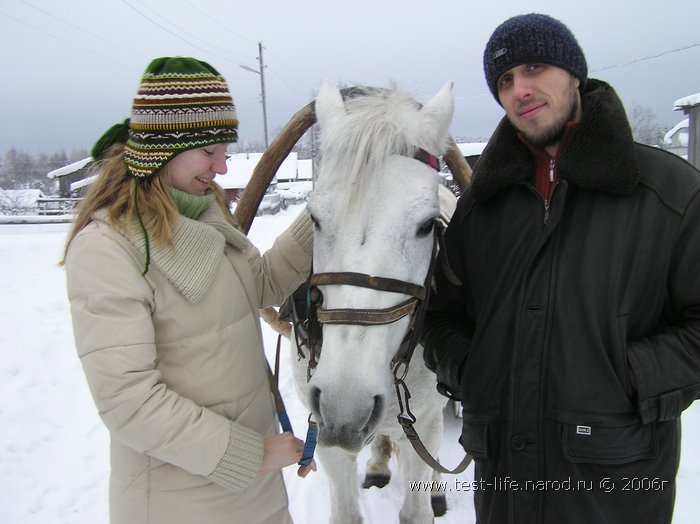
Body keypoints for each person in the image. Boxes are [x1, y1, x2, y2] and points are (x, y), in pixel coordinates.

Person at [421, 13, 700, 524]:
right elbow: (440, 318)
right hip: (505, 486)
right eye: (505, 81)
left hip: (617, 488)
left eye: (534, 67)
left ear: (575, 73)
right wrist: (473, 369)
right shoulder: (481, 209)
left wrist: (627, 374)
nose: (520, 89)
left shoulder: (670, 195)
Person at [62, 56, 315, 524]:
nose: (222, 166)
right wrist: (254, 455)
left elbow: (257, 284)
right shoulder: (108, 249)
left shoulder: (201, 211)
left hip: (251, 491)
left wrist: (321, 215)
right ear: (164, 147)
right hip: (183, 502)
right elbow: (129, 401)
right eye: (211, 150)